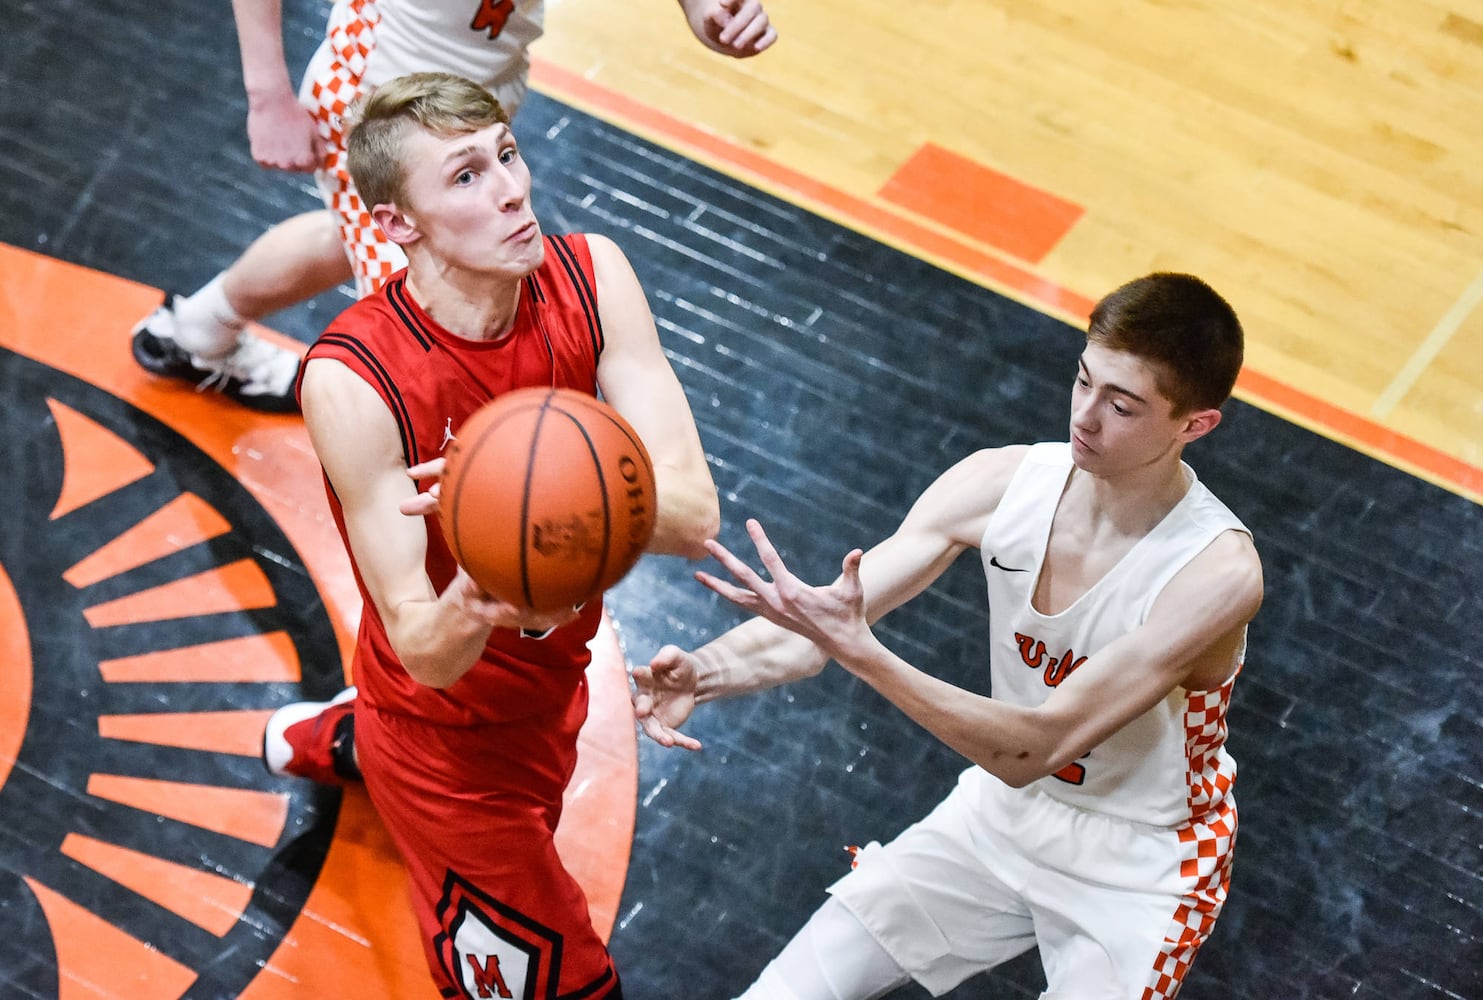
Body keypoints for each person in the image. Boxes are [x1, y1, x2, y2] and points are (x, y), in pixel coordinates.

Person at [633, 272, 1264, 1000]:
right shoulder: (996, 483)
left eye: (1120, 405)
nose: (1085, 417)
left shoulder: (1214, 572)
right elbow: (828, 625)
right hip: (999, 817)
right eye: (1082, 381)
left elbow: (1034, 746)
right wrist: (702, 674)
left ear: (1195, 425)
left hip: (1140, 861)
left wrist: (861, 653)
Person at [263, 71, 720, 999]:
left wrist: (539, 487)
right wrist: (477, 572)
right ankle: (368, 745)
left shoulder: (593, 276)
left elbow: (695, 515)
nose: (511, 190)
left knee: (428, 719)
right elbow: (423, 647)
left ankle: (337, 740)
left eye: (507, 155)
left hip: (550, 693)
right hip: (446, 747)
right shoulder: (353, 382)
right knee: (562, 986)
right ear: (398, 225)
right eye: (465, 177)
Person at [130, 0, 779, 412]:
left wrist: (704, 8)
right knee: (421, 329)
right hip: (380, 106)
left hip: (474, 99)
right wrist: (266, 89)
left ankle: (196, 332)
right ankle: (433, 550)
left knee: (352, 237)